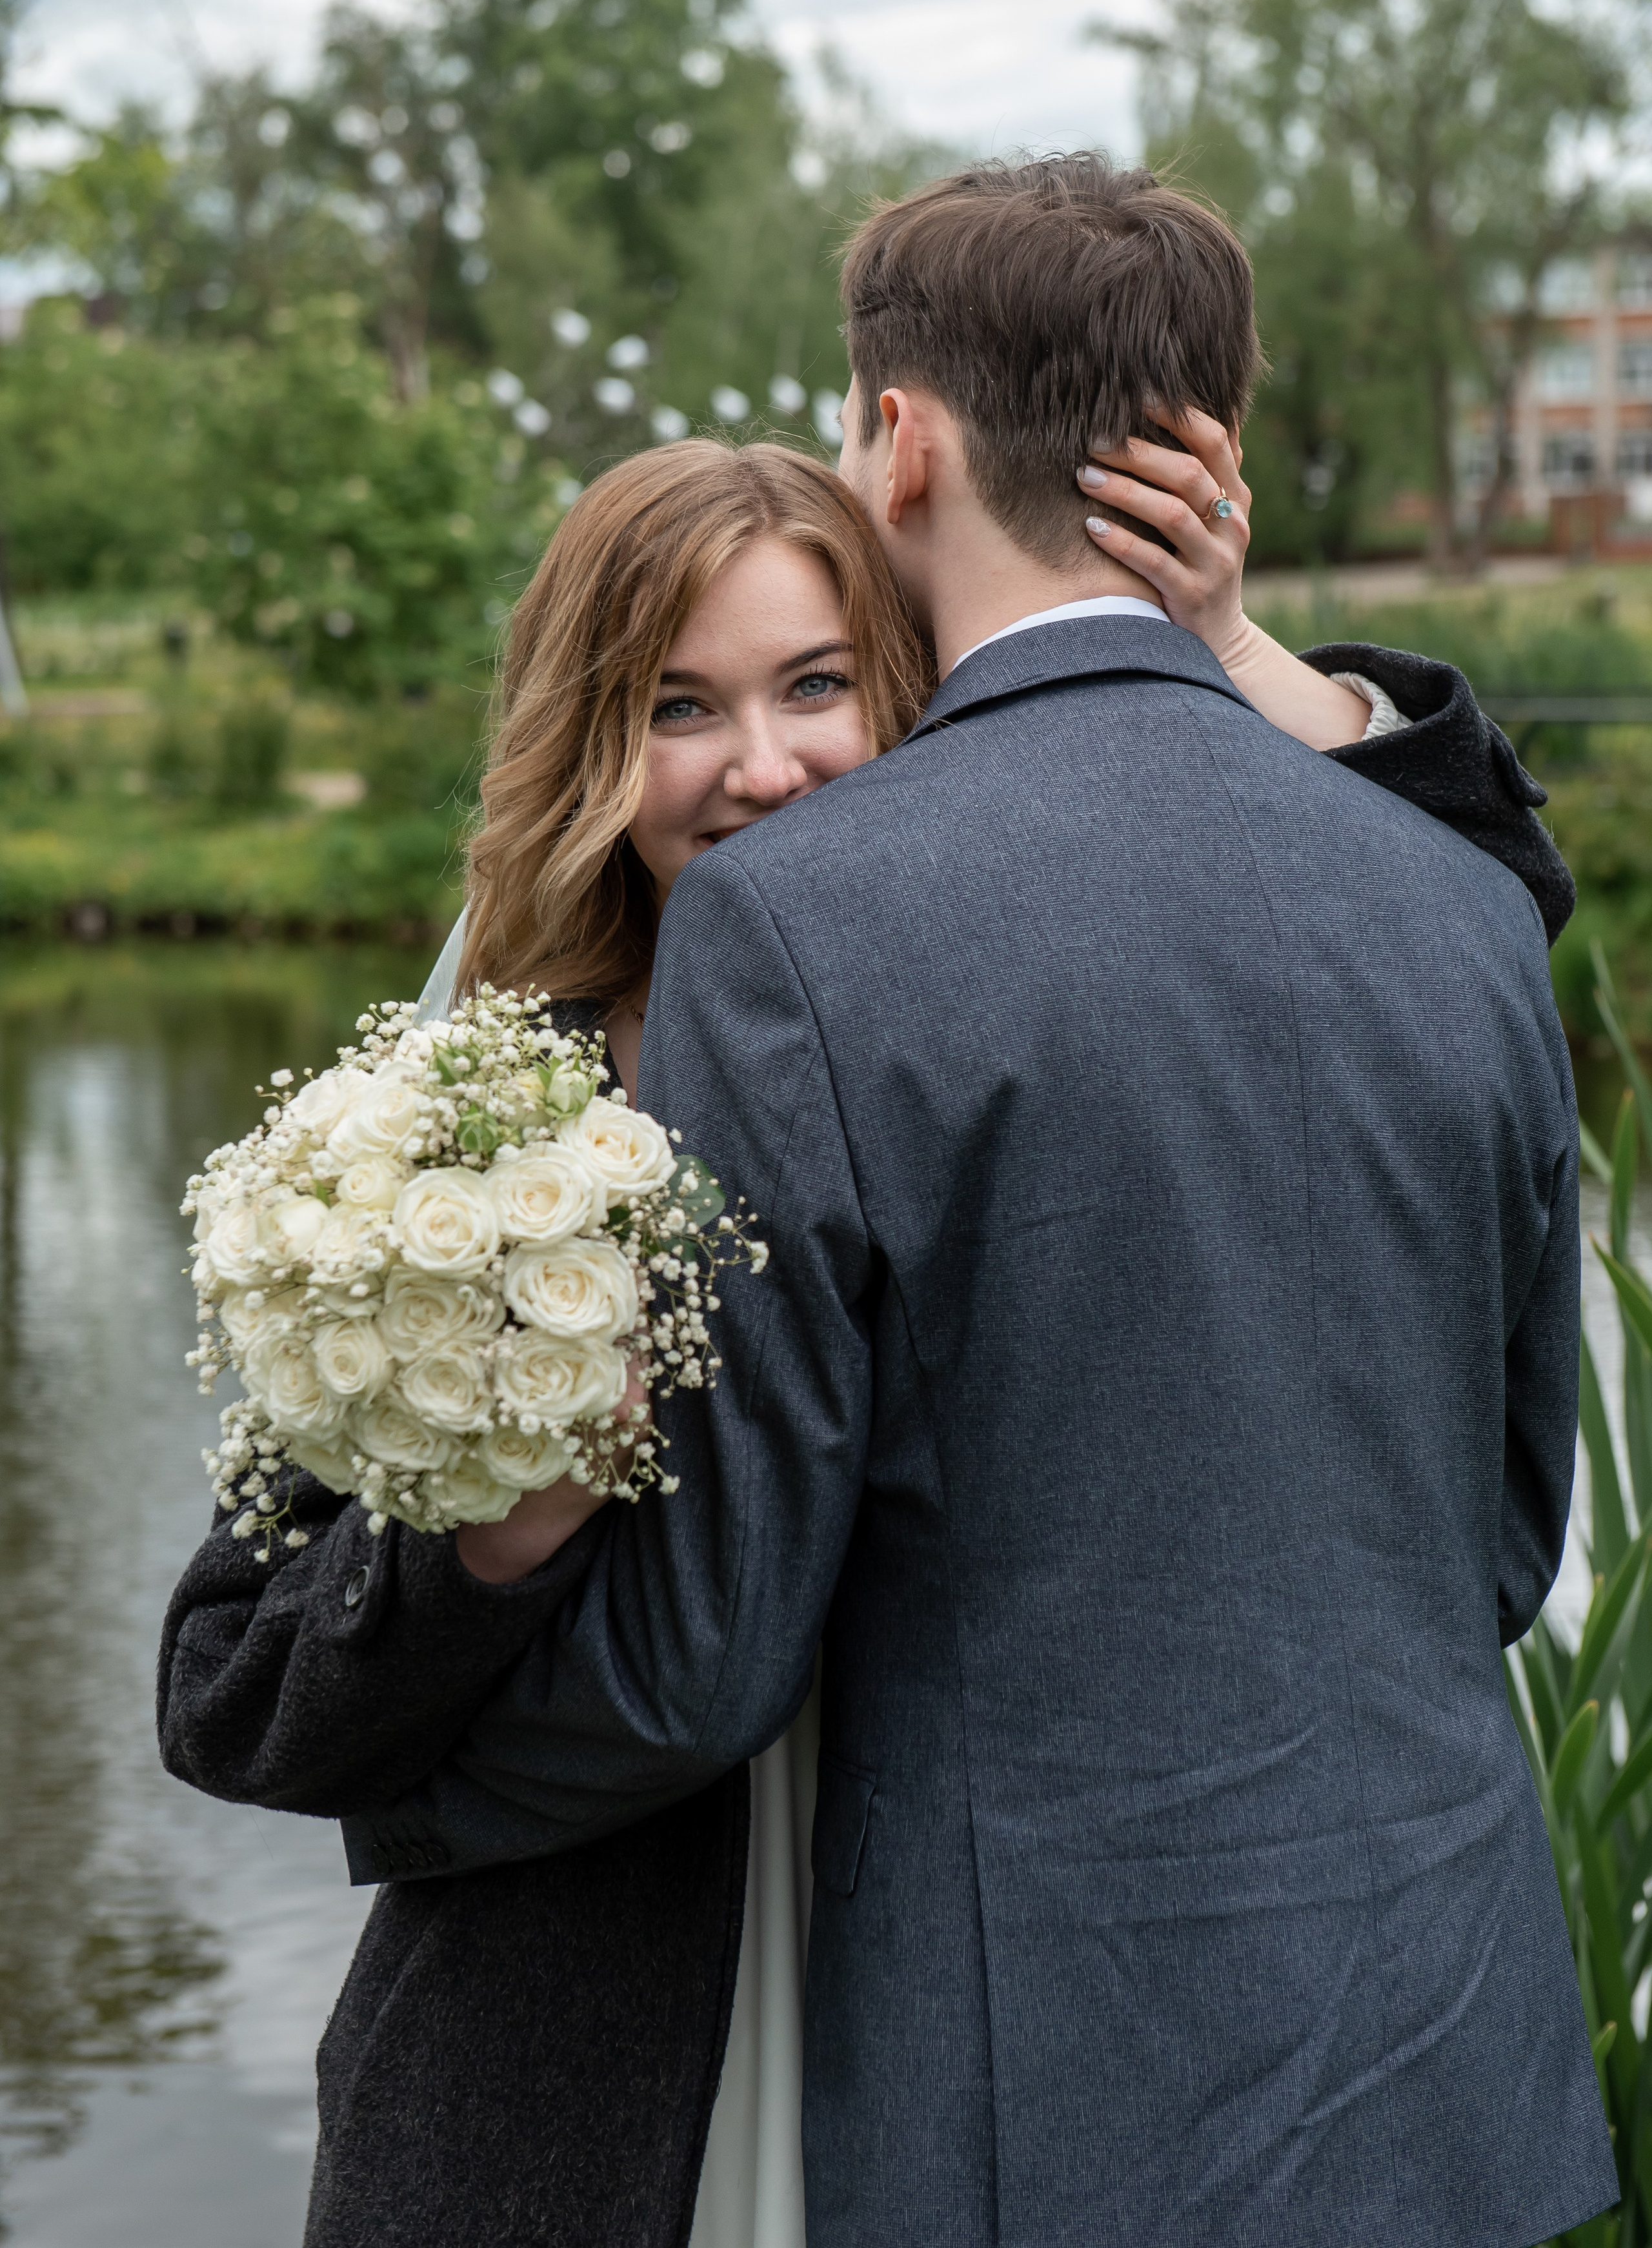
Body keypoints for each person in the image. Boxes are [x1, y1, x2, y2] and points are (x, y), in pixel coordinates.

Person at [157, 159, 1603, 2248]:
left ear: (900, 497)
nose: (757, 765)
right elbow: (233, 1672)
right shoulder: (456, 1133)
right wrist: (487, 1554)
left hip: (996, 2019)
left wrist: (1219, 643)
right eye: (677, 706)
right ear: (585, 735)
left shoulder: (886, 946)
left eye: (820, 684)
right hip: (622, 2058)